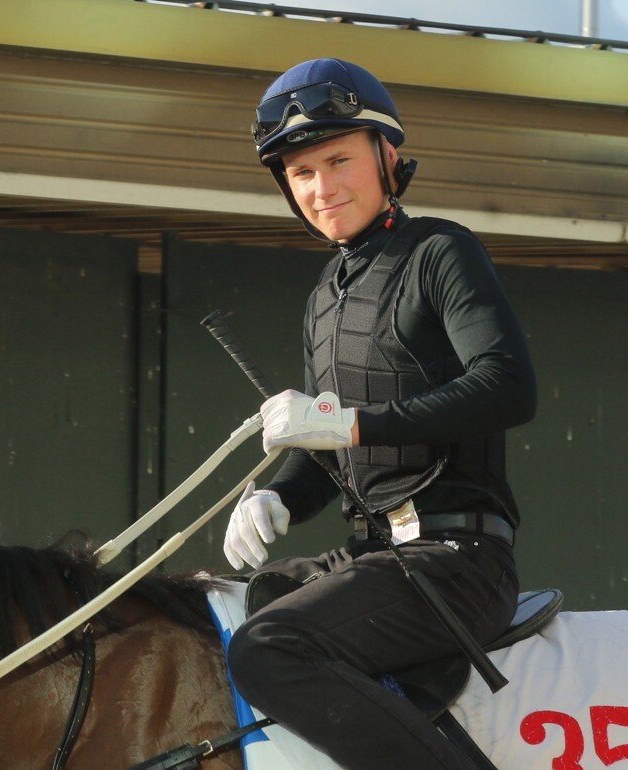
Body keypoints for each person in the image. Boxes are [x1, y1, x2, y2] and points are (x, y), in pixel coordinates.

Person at [222, 58, 537, 769]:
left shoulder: (440, 250)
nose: (322, 188)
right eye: (302, 174)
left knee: (270, 648)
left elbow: (510, 386)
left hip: (458, 560)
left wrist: (352, 424)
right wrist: (274, 493)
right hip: (376, 555)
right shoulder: (322, 297)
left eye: (338, 160)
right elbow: (326, 452)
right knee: (236, 607)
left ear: (387, 156)